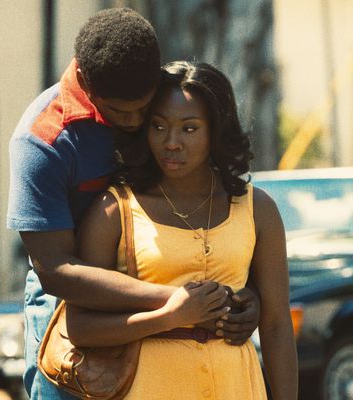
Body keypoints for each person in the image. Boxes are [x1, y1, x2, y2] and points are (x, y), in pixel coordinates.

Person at [7, 8, 260, 399]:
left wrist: (242, 299)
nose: (138, 121)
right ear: (88, 86)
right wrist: (181, 301)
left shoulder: (154, 91)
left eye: (147, 112)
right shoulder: (41, 142)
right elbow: (56, 271)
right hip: (72, 315)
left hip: (176, 309)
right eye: (122, 113)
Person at [66, 61, 298, 399]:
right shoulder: (114, 210)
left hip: (237, 387)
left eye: (189, 129)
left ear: (215, 131)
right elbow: (80, 327)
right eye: (158, 126)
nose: (171, 142)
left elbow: (277, 326)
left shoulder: (256, 208)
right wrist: (167, 317)